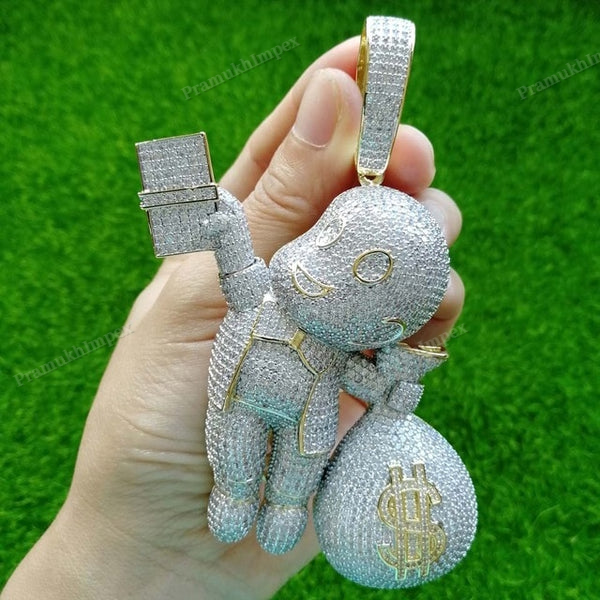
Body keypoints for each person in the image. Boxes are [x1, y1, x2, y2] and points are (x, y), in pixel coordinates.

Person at [1, 36, 463, 600]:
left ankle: (285, 506)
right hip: (240, 398)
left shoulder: (338, 353)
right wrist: (229, 231)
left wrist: (396, 388)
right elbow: (242, 278)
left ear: (385, 326)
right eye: (326, 241)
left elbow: (366, 383)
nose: (314, 270)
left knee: (299, 466)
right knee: (237, 451)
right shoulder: (265, 299)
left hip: (309, 419)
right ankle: (236, 493)